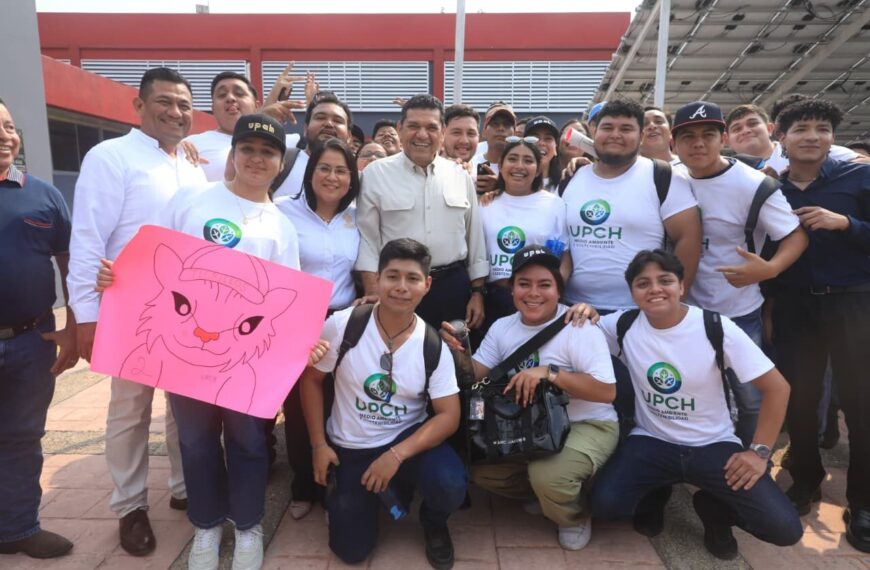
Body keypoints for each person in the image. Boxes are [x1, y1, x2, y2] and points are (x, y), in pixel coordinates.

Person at [95, 113, 304, 570]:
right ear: (233, 155)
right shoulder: (192, 200)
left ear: (279, 164)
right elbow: (154, 263)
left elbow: (285, 305)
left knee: (249, 442)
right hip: (183, 352)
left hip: (243, 360)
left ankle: (248, 526)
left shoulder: (281, 226)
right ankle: (207, 526)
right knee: (196, 441)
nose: (256, 158)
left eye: (267, 153)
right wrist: (117, 276)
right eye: (247, 149)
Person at [68, 67, 206, 556]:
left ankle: (184, 488)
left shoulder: (191, 165)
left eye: (184, 105)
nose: (175, 112)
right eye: (165, 102)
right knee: (130, 408)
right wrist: (85, 314)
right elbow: (87, 239)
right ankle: (129, 505)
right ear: (139, 106)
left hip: (185, 308)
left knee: (182, 406)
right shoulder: (111, 157)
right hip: (128, 305)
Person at [590, 249, 803, 560]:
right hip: (651, 441)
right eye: (642, 283)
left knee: (784, 528)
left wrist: (759, 453)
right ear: (633, 292)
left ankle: (715, 512)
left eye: (665, 280)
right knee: (604, 504)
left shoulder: (715, 327)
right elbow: (579, 331)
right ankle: (655, 493)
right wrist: (582, 311)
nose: (655, 289)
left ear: (681, 286)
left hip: (712, 444)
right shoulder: (622, 325)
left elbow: (778, 388)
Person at [300, 238, 467, 569]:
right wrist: (319, 445)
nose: (401, 287)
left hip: (405, 442)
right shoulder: (345, 324)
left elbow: (449, 416)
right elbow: (311, 379)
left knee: (451, 482)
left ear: (427, 284)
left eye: (412, 278)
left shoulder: (433, 344)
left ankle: (433, 521)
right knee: (351, 551)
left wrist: (396, 455)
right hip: (351, 444)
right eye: (392, 276)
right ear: (377, 279)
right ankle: (354, 495)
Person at [443, 245, 618, 551]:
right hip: (532, 424)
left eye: (544, 284)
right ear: (511, 289)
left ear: (559, 290)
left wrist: (550, 373)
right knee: (481, 471)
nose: (533, 293)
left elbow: (606, 391)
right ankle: (544, 493)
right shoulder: (502, 327)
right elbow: (477, 374)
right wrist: (454, 351)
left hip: (587, 422)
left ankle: (573, 516)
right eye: (524, 283)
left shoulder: (578, 325)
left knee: (547, 475)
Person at [670, 100, 808, 445]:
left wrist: (770, 268)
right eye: (688, 137)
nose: (698, 143)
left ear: (725, 138)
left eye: (708, 135)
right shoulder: (669, 178)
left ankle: (751, 462)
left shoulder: (752, 185)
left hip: (737, 310)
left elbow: (795, 234)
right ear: (675, 144)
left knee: (749, 398)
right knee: (691, 392)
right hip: (684, 310)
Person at [561, 99, 701, 430]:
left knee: (642, 405)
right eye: (607, 127)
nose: (615, 135)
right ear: (593, 132)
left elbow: (688, 238)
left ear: (641, 135)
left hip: (639, 314)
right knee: (586, 405)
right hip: (577, 313)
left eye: (626, 128)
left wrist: (673, 303)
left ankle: (646, 475)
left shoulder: (662, 176)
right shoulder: (573, 178)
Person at [770, 98, 870, 552]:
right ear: (782, 137)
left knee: (860, 404)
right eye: (801, 128)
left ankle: (863, 502)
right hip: (796, 308)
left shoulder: (860, 177)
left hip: (853, 304)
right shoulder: (769, 189)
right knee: (800, 402)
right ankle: (805, 479)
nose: (812, 135)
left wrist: (846, 223)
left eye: (822, 128)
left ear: (832, 137)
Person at [0, 98, 76, 559]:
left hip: (31, 339)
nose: (5, 136)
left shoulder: (44, 195)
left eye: (9, 126)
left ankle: (18, 528)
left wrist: (72, 327)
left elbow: (70, 263)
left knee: (22, 437)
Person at [276, 137, 361, 520]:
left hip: (343, 320)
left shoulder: (358, 216)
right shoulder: (282, 213)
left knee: (337, 405)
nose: (332, 176)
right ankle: (302, 485)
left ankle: (333, 483)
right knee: (297, 409)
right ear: (310, 173)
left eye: (341, 170)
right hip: (297, 320)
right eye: (324, 168)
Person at [355, 94, 489, 331]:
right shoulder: (375, 174)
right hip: (398, 288)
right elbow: (368, 239)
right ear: (400, 128)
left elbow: (474, 237)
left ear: (443, 131)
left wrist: (477, 291)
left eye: (431, 127)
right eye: (413, 126)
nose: (422, 135)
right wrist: (373, 290)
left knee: (452, 361)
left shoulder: (459, 176)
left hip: (452, 288)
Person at [478, 138, 568, 331]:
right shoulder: (485, 204)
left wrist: (553, 294)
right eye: (512, 159)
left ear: (537, 169)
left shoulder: (555, 205)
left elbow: (566, 256)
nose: (519, 166)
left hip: (537, 301)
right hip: (492, 300)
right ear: (500, 165)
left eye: (528, 160)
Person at [183, 72, 304, 182]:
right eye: (222, 95)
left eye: (239, 93)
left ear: (257, 105)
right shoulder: (191, 144)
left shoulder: (287, 143)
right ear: (213, 108)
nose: (230, 98)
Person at [725, 102, 859, 174]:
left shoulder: (812, 149)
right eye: (737, 128)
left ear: (770, 129)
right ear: (727, 140)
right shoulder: (728, 172)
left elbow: (863, 164)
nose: (746, 130)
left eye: (752, 123)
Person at [272, 91, 353, 201]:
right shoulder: (281, 162)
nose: (329, 124)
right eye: (320, 118)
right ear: (305, 129)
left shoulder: (358, 178)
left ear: (349, 136)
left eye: (337, 120)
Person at [472, 102, 516, 195]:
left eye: (507, 124)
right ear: (484, 132)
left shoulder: (521, 167)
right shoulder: (470, 164)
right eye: (495, 124)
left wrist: (500, 186)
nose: (501, 128)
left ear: (515, 133)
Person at [523, 116, 563, 191]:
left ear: (556, 148)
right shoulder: (513, 182)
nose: (541, 143)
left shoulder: (566, 184)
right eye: (534, 138)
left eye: (548, 138)